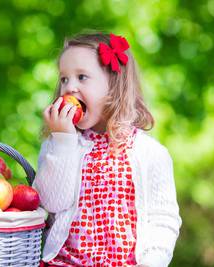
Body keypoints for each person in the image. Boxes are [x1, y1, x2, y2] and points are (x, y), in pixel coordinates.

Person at [33, 31, 182, 267]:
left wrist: (153, 261)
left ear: (114, 85)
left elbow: (163, 219)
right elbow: (51, 203)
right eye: (64, 79)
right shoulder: (59, 145)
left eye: (82, 77)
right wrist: (63, 140)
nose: (69, 87)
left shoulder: (150, 153)